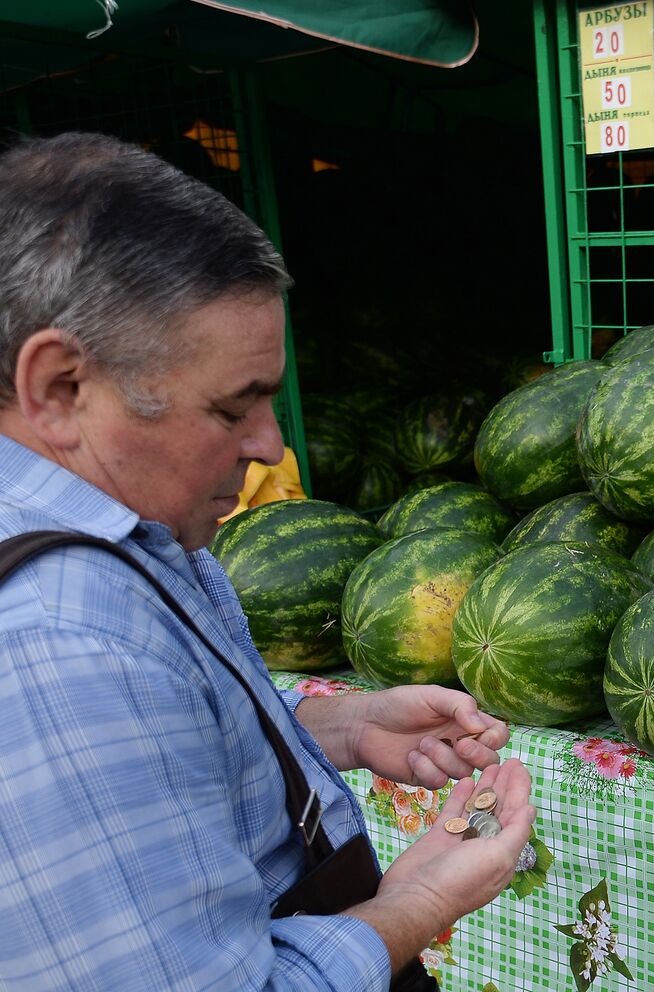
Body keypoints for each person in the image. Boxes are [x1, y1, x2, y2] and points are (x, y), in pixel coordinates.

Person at [0, 132, 536, 990]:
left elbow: (158, 729)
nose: (269, 445)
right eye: (233, 406)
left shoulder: (109, 531)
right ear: (60, 386)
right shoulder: (55, 645)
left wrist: (341, 727)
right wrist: (419, 901)